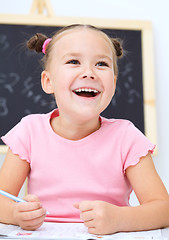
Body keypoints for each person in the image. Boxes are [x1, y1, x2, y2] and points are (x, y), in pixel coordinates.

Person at [0, 24, 169, 235]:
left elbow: (164, 210)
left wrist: (119, 219)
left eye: (101, 63)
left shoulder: (127, 137)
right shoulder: (29, 131)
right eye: (73, 62)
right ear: (48, 81)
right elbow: (1, 200)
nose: (89, 73)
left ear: (114, 83)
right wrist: (17, 214)